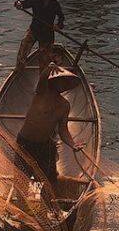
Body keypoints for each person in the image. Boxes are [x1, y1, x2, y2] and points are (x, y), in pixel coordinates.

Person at [15, 65, 80, 202]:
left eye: (65, 82)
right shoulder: (41, 92)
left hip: (44, 146)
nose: (62, 84)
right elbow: (42, 78)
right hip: (25, 143)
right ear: (54, 81)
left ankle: (47, 206)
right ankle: (22, 205)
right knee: (21, 177)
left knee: (47, 180)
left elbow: (63, 130)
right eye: (60, 80)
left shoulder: (64, 105)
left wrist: (73, 145)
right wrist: (50, 66)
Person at [14, 0, 66, 65]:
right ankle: (19, 69)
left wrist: (58, 25)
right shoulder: (35, 0)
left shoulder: (55, 4)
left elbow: (61, 17)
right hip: (34, 30)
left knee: (44, 60)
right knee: (24, 48)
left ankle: (44, 76)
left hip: (47, 33)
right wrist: (18, 3)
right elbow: (22, 3)